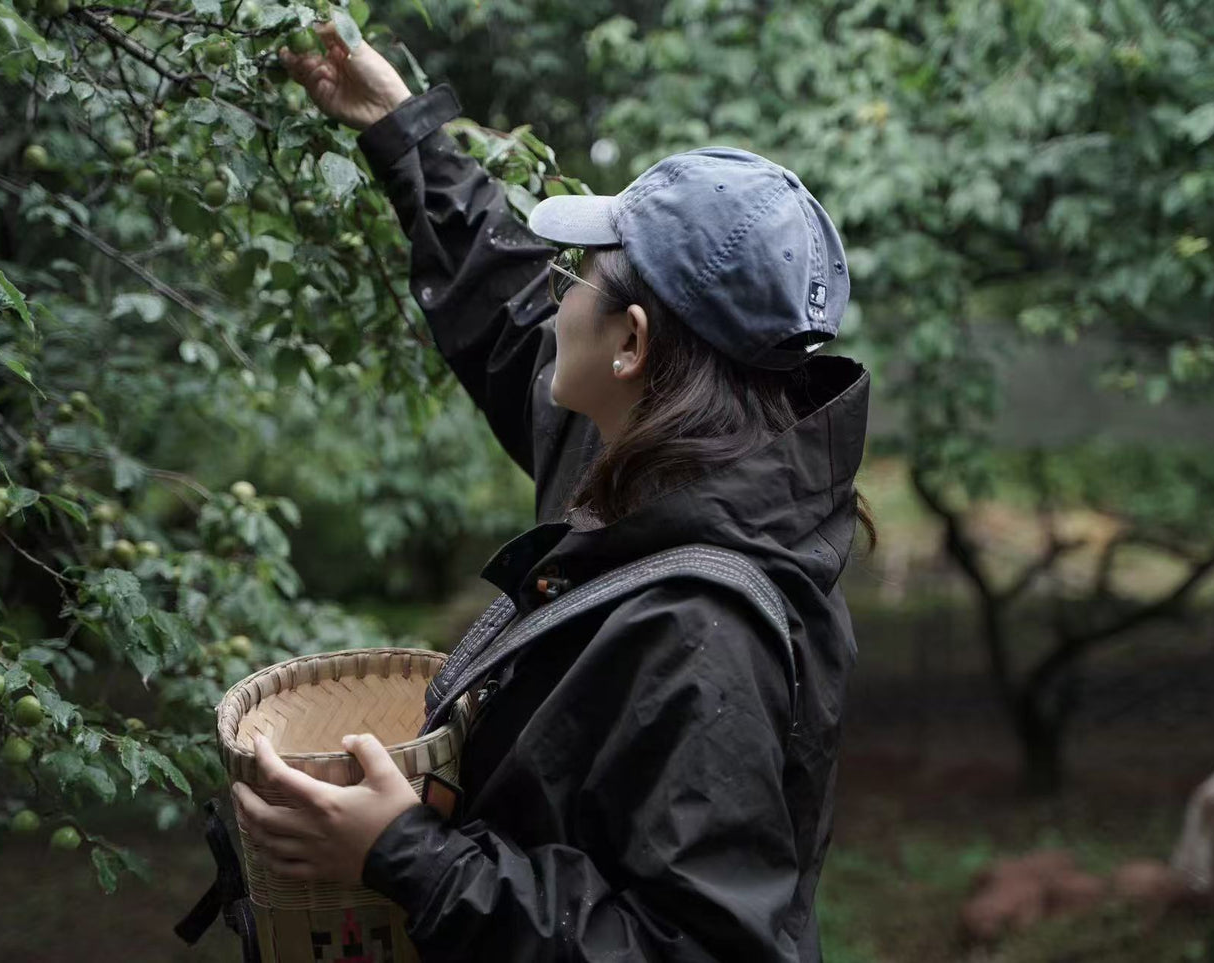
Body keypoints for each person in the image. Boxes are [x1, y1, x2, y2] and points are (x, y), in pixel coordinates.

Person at [230, 21, 875, 962]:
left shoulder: (703, 633)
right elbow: (506, 316)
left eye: (579, 274)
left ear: (631, 343)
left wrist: (404, 857)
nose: (558, 294)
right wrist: (395, 124)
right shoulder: (653, 468)